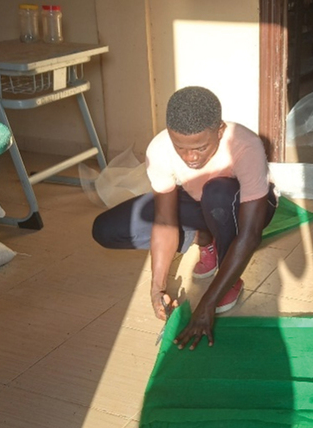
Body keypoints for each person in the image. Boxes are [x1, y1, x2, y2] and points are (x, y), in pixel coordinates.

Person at [93, 86, 278, 349]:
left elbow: (250, 235)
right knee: (106, 228)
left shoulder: (245, 145)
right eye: (181, 147)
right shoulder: (159, 149)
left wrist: (207, 304)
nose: (191, 157)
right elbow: (165, 221)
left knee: (218, 193)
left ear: (220, 131)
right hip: (201, 201)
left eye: (201, 148)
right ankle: (206, 239)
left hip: (245, 208)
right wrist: (156, 288)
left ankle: (227, 276)